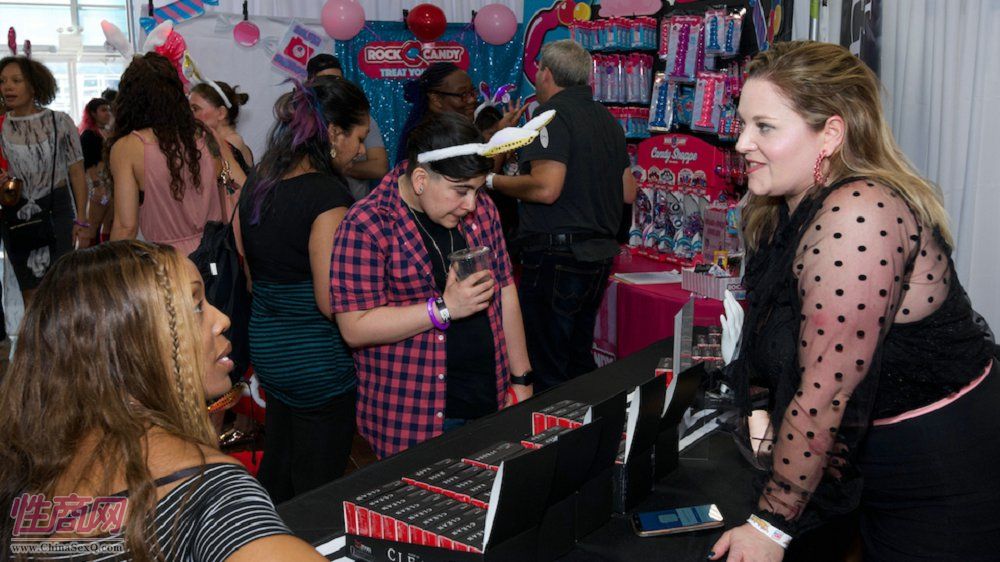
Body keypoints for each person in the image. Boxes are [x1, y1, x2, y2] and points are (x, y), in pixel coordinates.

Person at [708, 41, 1000, 562]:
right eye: (743, 123)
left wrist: (772, 525)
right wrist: (760, 410)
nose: (742, 142)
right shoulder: (784, 208)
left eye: (764, 127)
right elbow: (774, 338)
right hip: (868, 462)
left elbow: (827, 391)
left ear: (831, 134)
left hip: (941, 468)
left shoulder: (860, 214)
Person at [0, 240, 325, 561]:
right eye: (196, 307)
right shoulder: (206, 492)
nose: (222, 320)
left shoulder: (27, 474)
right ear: (133, 347)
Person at [331, 112, 533, 459]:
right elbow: (354, 327)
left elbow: (504, 290)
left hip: (492, 397)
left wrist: (522, 379)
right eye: (461, 191)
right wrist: (443, 309)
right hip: (416, 415)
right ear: (421, 179)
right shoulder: (367, 224)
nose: (471, 204)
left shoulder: (482, 211)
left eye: (477, 189)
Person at [236, 77, 369, 503]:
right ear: (334, 133)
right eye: (359, 138)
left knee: (280, 459)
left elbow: (250, 273)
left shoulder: (259, 181)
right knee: (319, 481)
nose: (361, 151)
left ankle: (268, 528)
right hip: (316, 360)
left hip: (268, 347)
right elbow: (331, 302)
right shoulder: (327, 196)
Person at [491, 39, 636, 392]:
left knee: (546, 365)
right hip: (597, 255)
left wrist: (492, 181)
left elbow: (546, 188)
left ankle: (554, 427)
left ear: (546, 73)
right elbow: (628, 192)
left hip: (557, 254)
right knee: (576, 357)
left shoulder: (549, 118)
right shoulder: (606, 119)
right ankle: (592, 423)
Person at [108, 53, 236, 255]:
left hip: (167, 263)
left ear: (129, 99)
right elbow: (234, 187)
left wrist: (110, 269)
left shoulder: (128, 148)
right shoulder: (205, 134)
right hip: (215, 257)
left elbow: (126, 227)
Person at [0, 56, 90, 301]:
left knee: (62, 290)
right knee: (30, 294)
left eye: (16, 80)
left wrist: (82, 220)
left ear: (33, 85)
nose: (8, 87)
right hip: (17, 213)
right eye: (3, 81)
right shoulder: (2, 125)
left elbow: (77, 172)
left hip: (56, 211)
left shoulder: (59, 121)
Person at [395, 63, 525, 165]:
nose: (472, 99)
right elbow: (477, 179)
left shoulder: (456, 129)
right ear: (436, 99)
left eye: (472, 92)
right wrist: (501, 137)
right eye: (463, 94)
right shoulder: (431, 137)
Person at [306, 54, 388, 202]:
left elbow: (380, 167)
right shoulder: (303, 124)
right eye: (326, 80)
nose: (333, 85)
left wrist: (342, 165)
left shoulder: (361, 119)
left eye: (337, 79)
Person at [189, 80, 253, 174]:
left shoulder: (231, 143)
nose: (190, 115)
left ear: (221, 113)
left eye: (195, 109)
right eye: (189, 109)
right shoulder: (225, 142)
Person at [78, 97, 113, 244]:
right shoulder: (88, 135)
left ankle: (103, 254)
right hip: (98, 185)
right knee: (92, 226)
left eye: (109, 110)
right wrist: (97, 186)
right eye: (103, 110)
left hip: (109, 184)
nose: (107, 113)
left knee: (108, 223)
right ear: (93, 113)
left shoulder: (107, 132)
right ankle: (85, 256)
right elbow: (88, 163)